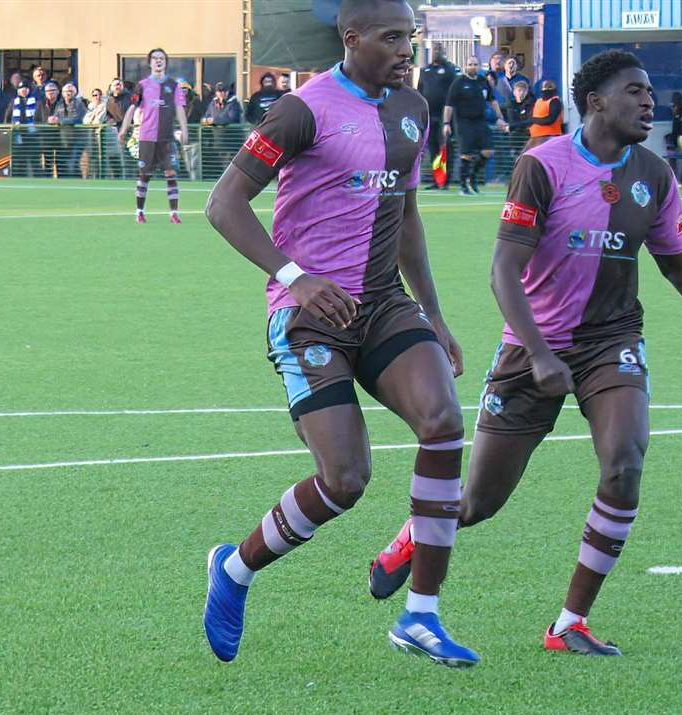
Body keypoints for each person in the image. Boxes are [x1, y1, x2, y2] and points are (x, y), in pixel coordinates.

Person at [368, 49, 682, 655]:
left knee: (624, 464)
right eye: (634, 90)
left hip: (611, 343)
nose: (649, 101)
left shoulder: (654, 174)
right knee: (478, 503)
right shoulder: (542, 166)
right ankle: (418, 531)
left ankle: (570, 623)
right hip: (530, 348)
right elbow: (503, 271)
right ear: (596, 101)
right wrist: (541, 354)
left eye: (650, 92)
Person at [204, 0, 477, 667]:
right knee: (346, 478)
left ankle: (421, 614)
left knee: (442, 423)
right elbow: (223, 204)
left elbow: (406, 214)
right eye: (390, 38)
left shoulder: (410, 108)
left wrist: (433, 314)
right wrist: (293, 277)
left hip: (383, 303)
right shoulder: (303, 109)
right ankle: (234, 570)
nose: (403, 50)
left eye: (407, 38)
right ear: (349, 39)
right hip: (308, 314)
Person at [118, 48, 188, 224]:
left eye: (161, 58)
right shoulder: (141, 85)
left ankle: (173, 213)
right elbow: (132, 108)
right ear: (149, 62)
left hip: (166, 138)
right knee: (144, 174)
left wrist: (185, 130)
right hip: (146, 137)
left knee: (171, 173)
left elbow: (180, 109)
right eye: (155, 58)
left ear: (165, 62)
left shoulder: (174, 86)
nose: (158, 61)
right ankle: (139, 211)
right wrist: (124, 128)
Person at [443, 56, 501, 195]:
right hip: (464, 122)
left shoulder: (483, 81)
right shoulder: (459, 82)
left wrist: (500, 118)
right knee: (466, 154)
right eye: (470, 64)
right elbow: (449, 105)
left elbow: (492, 100)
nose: (473, 67)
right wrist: (446, 123)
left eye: (475, 64)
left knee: (488, 151)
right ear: (466, 66)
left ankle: (472, 178)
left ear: (479, 66)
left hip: (480, 121)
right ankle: (463, 186)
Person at [415, 45, 458, 190]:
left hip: (444, 116)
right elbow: (419, 91)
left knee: (445, 148)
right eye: (434, 50)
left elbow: (453, 92)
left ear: (444, 53)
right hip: (429, 115)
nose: (436, 53)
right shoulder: (425, 70)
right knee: (433, 149)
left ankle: (446, 180)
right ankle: (436, 180)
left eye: (439, 51)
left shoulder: (450, 70)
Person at [525, 79, 564, 146]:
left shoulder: (555, 101)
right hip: (535, 137)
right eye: (544, 91)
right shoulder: (538, 101)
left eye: (548, 91)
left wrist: (533, 120)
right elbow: (531, 118)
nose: (545, 93)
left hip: (550, 136)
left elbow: (550, 119)